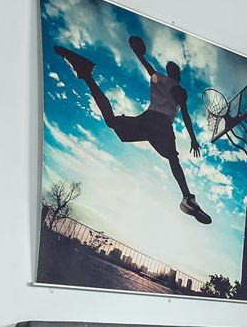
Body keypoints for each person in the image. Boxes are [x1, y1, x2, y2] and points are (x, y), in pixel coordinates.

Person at [54, 36, 211, 224]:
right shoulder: (178, 89)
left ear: (173, 73)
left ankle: (87, 75)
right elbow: (185, 114)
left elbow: (146, 65)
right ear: (177, 76)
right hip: (160, 123)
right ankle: (187, 197)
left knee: (111, 121)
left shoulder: (159, 78)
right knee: (172, 158)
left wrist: (138, 52)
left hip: (147, 120)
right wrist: (193, 138)